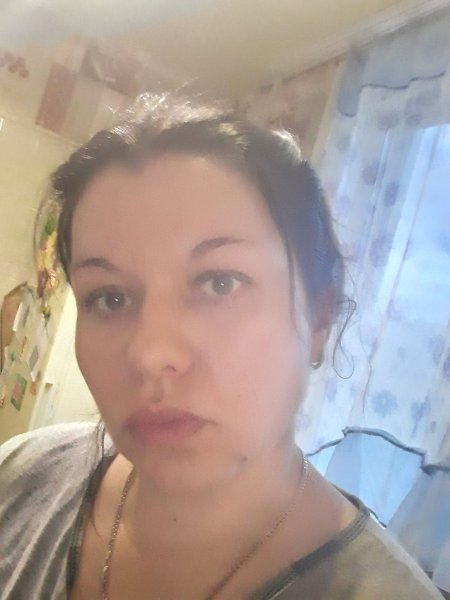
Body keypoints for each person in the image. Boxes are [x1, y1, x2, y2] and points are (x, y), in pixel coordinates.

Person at [0, 93, 443, 600]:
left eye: (220, 283)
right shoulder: (22, 473)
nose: (150, 355)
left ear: (319, 317)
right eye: (110, 298)